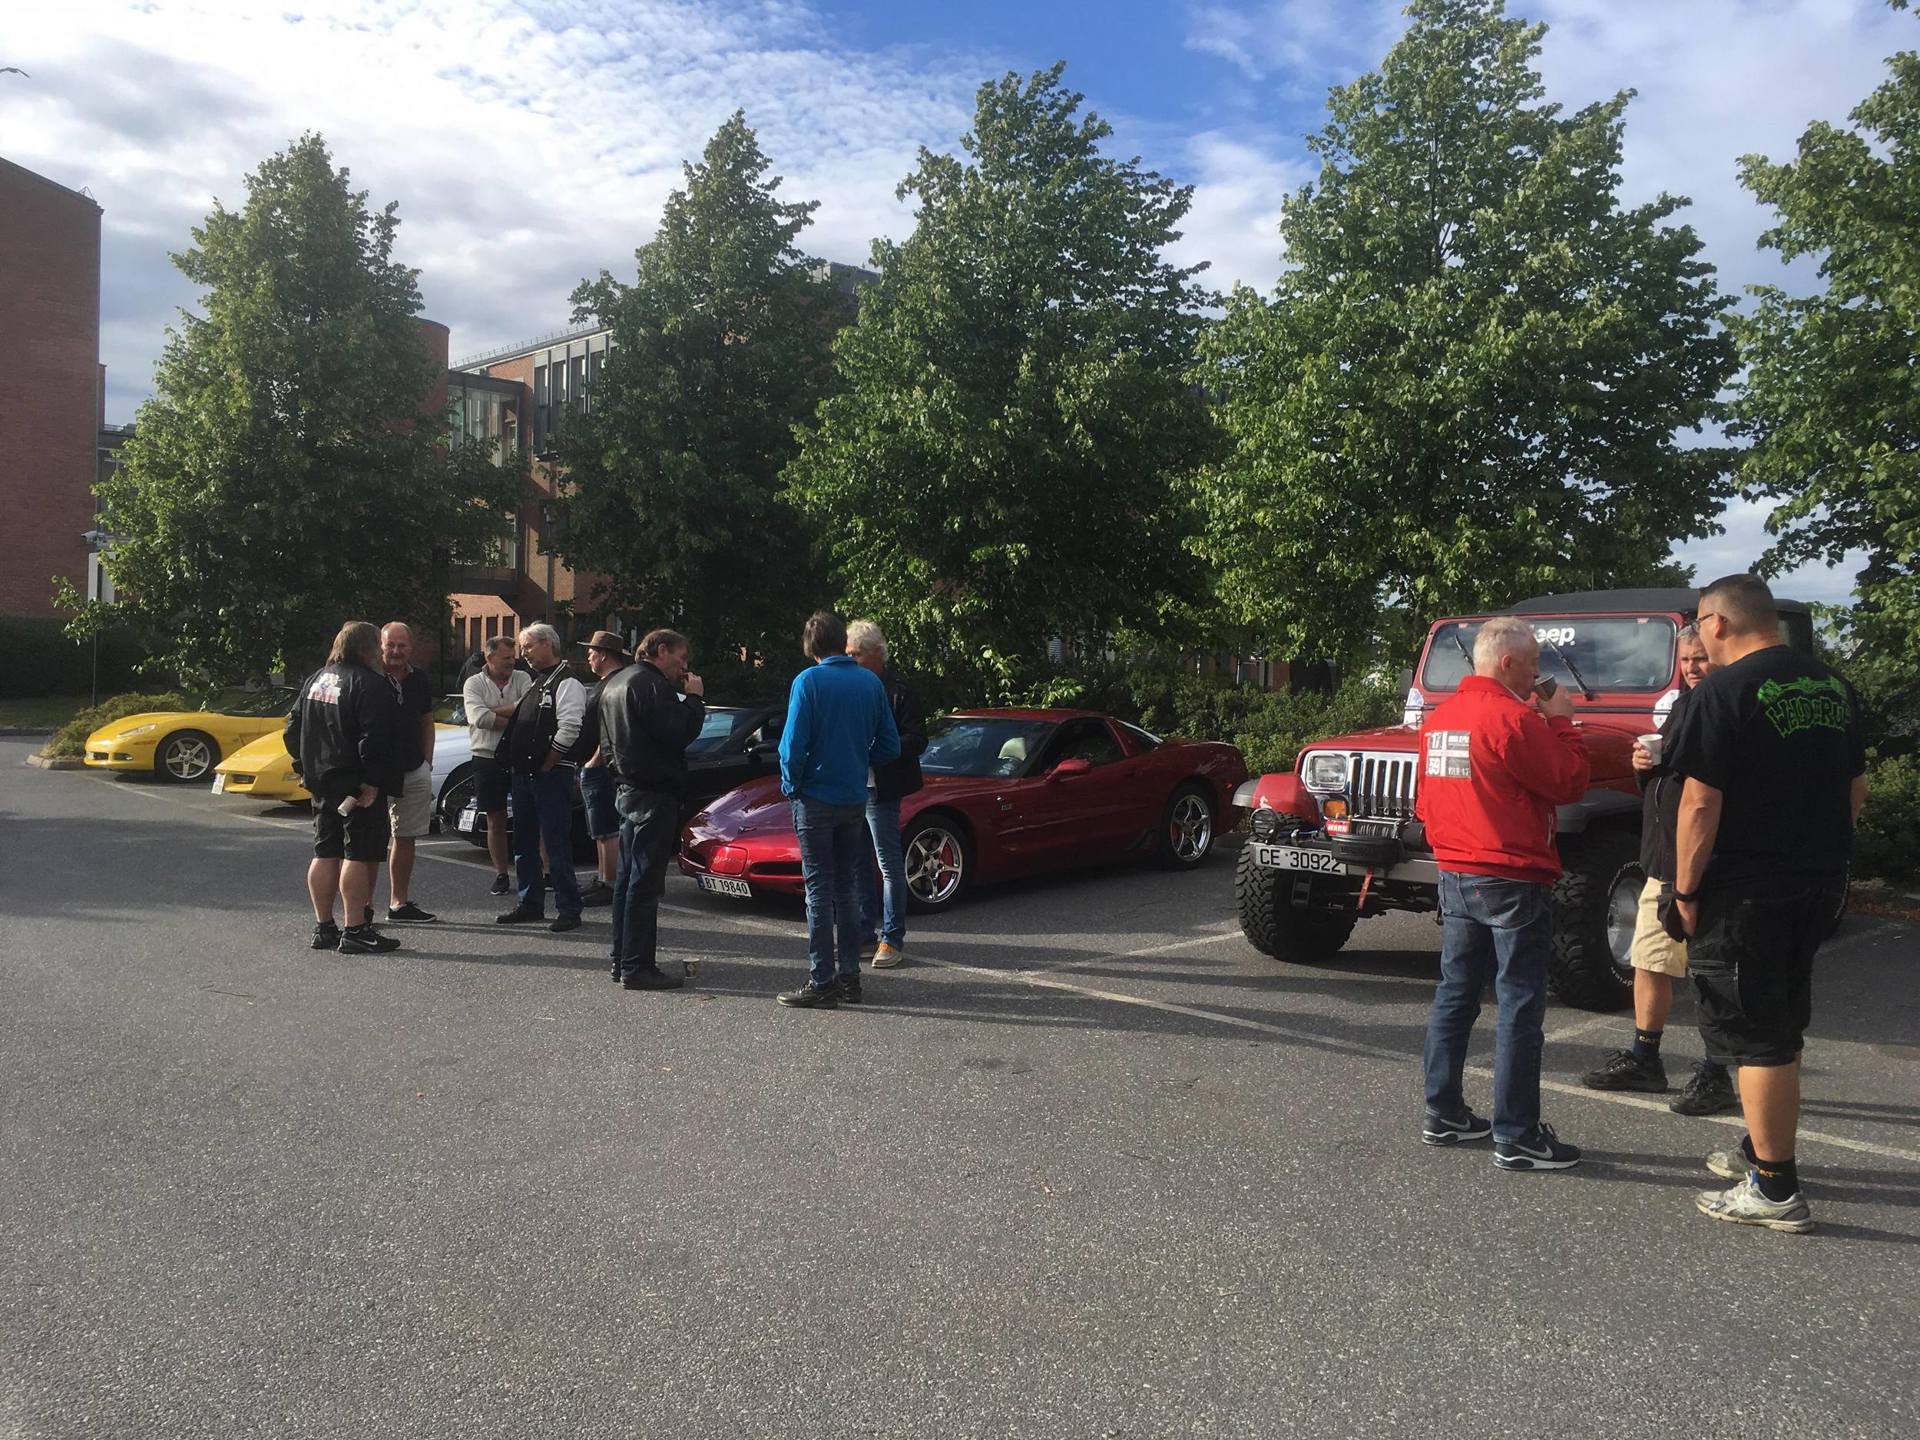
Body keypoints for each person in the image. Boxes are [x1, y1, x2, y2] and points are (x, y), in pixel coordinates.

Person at [1668, 574, 1867, 1234]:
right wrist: (1822, 851)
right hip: (1820, 880)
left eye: (1701, 624)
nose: (1700, 637)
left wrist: (1685, 891)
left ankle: (1775, 1188)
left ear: (1718, 624)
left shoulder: (1723, 691)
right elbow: (1856, 788)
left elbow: (1700, 803)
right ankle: (1761, 1147)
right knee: (1781, 1023)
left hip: (1746, 890)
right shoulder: (1832, 687)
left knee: (1756, 1039)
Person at [1417, 615, 1591, 1171]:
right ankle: (1516, 1135)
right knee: (1519, 1003)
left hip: (1455, 871)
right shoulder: (1514, 720)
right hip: (1512, 874)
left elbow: (1425, 800)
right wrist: (1562, 722)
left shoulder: (1441, 719)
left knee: (1456, 993)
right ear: (1508, 662)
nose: (1537, 676)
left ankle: (1443, 1112)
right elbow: (1569, 781)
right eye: (1534, 665)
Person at [1580, 624, 1735, 1112]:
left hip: (1710, 865)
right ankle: (1645, 1059)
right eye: (1685, 660)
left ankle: (1716, 1073)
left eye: (1700, 658)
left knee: (1711, 971)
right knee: (1650, 960)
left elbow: (1710, 794)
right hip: (1663, 860)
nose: (1692, 668)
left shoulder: (1729, 708)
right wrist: (1644, 767)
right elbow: (1671, 779)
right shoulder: (1685, 706)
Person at [776, 610, 900, 1008]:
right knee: (847, 889)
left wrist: (792, 786)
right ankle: (850, 978)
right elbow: (890, 746)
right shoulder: (870, 682)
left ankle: (822, 980)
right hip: (853, 796)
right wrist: (856, 759)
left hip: (816, 798)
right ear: (841, 642)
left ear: (811, 646)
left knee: (818, 891)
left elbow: (792, 746)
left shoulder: (808, 681)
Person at [597, 628, 706, 990]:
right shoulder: (652, 685)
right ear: (661, 650)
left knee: (627, 881)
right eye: (680, 658)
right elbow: (678, 732)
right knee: (644, 884)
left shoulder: (616, 683)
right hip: (654, 793)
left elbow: (605, 742)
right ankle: (637, 966)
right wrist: (694, 700)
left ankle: (622, 959)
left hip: (627, 788)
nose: (683, 667)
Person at [284, 620, 401, 955]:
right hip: (355, 785)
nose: (381, 652)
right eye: (378, 646)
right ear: (367, 648)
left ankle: (324, 927)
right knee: (357, 853)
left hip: (322, 781)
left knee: (325, 851)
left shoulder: (316, 679)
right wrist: (372, 782)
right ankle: (355, 929)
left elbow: (292, 730)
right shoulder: (369, 684)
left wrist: (304, 766)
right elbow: (374, 739)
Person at [496, 622, 589, 933]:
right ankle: (530, 903)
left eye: (528, 646)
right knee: (523, 842)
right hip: (525, 774)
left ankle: (569, 908)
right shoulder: (537, 682)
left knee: (555, 842)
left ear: (548, 643)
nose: (524, 653)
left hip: (551, 775)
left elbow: (570, 726)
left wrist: (549, 762)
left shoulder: (567, 681)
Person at [845, 619, 926, 969]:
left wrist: (878, 749)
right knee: (858, 863)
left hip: (883, 788)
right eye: (847, 653)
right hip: (852, 787)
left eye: (856, 654)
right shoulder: (849, 686)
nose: (850, 660)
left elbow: (917, 739)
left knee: (888, 864)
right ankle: (864, 934)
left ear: (877, 654)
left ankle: (892, 938)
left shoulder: (900, 690)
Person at [461, 634, 532, 895]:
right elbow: (478, 718)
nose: (511, 662)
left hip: (520, 756)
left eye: (513, 657)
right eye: (506, 658)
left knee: (529, 816)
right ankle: (501, 873)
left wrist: (493, 709)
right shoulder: (473, 683)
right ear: (490, 657)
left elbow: (529, 711)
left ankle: (542, 871)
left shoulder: (523, 678)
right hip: (486, 758)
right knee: (495, 818)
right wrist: (514, 717)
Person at [377, 622, 438, 924]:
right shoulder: (370, 677)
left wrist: (427, 761)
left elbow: (427, 721)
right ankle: (360, 908)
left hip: (413, 769)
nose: (396, 651)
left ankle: (398, 903)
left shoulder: (420, 679)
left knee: (405, 838)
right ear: (381, 645)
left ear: (411, 647)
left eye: (402, 645)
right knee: (369, 840)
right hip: (375, 773)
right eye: (390, 645)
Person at [574, 631, 631, 909]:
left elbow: (611, 727)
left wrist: (595, 759)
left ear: (604, 654)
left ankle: (611, 883)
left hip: (602, 767)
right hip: (592, 765)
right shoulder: (606, 683)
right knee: (597, 827)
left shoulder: (614, 684)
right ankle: (602, 878)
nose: (588, 658)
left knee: (607, 827)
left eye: (591, 653)